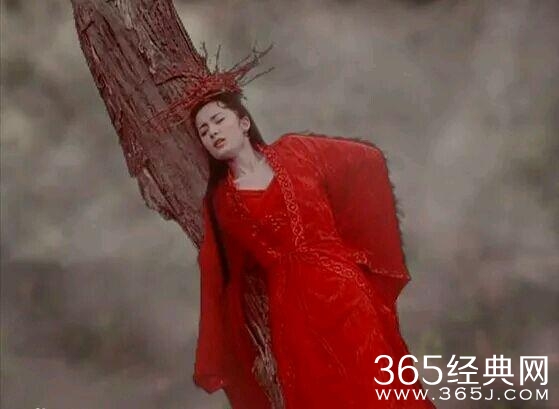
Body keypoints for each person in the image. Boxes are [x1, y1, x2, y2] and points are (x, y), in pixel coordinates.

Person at [189, 91, 437, 409]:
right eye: (204, 131)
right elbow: (223, 275)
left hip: (346, 294)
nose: (213, 133)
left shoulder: (296, 151)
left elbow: (366, 160)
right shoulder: (223, 203)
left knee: (377, 386)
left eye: (218, 120)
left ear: (244, 122)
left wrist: (345, 245)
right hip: (294, 314)